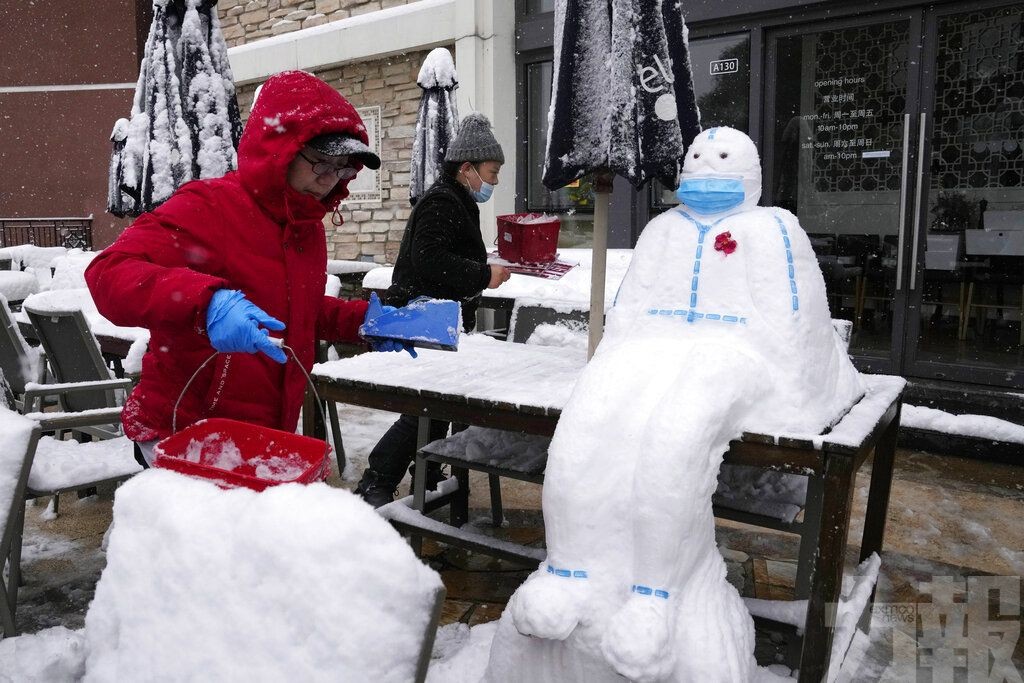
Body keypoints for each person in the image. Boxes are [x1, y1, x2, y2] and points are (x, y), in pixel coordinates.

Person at [86, 70, 409, 467]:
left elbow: (294, 311)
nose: (329, 180)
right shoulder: (210, 206)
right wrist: (207, 304)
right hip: (184, 429)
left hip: (261, 432)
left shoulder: (305, 227)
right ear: (280, 150)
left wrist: (366, 322)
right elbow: (107, 273)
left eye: (343, 168)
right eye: (321, 162)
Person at [355, 112, 512, 507]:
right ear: (467, 168)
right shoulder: (443, 201)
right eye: (491, 173)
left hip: (439, 321)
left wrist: (482, 266)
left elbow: (445, 253)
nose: (493, 182)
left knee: (435, 408)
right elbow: (429, 258)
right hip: (424, 320)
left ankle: (424, 475)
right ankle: (378, 479)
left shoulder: (455, 200)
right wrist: (482, 274)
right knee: (425, 410)